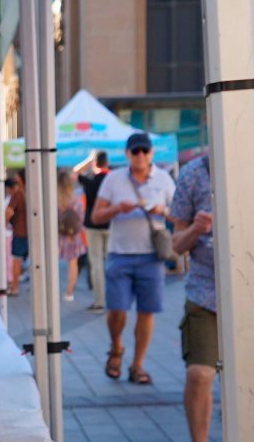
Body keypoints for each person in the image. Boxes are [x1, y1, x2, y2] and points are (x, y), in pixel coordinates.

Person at [90, 132, 175, 385]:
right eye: (135, 151)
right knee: (117, 309)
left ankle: (138, 364)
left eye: (144, 151)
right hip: (120, 253)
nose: (140, 156)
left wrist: (162, 210)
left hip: (151, 255)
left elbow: (179, 216)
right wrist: (118, 208)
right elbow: (95, 217)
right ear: (127, 154)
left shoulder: (164, 180)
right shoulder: (113, 180)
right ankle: (116, 347)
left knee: (146, 312)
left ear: (151, 154)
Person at [169, 155, 222, 442]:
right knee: (200, 374)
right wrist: (196, 229)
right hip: (205, 293)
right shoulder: (192, 174)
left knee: (243, 380)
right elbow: (176, 244)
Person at [77, 151, 110, 311]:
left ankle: (99, 301)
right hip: (111, 224)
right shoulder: (111, 180)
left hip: (92, 224)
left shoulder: (91, 180)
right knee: (111, 262)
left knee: (96, 263)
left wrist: (88, 161)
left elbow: (73, 174)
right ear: (107, 163)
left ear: (95, 164)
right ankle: (115, 299)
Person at [57, 170, 87, 302]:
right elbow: (80, 219)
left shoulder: (54, 199)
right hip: (72, 235)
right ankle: (69, 292)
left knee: (51, 263)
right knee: (73, 264)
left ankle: (50, 289)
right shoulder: (76, 199)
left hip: (56, 235)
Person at [6, 173, 28, 296]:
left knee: (16, 259)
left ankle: (14, 287)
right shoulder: (28, 191)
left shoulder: (18, 193)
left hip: (19, 231)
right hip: (30, 231)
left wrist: (5, 222)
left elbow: (8, 211)